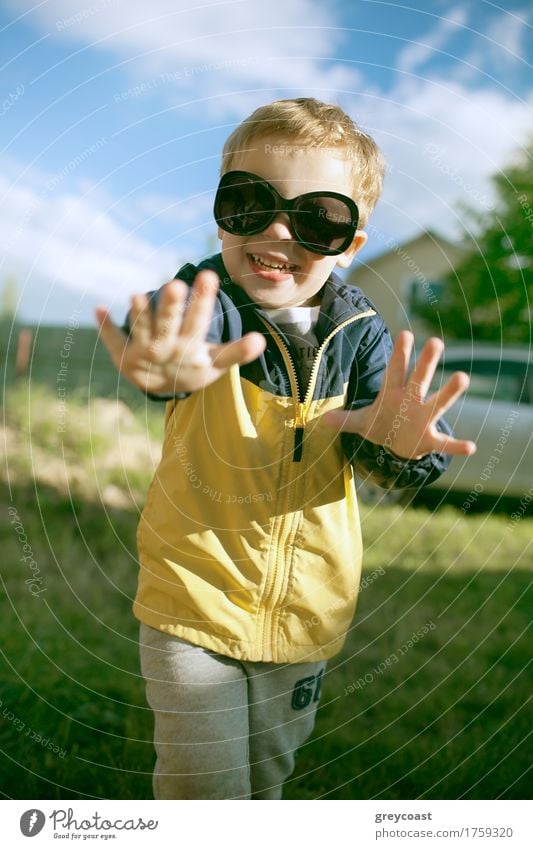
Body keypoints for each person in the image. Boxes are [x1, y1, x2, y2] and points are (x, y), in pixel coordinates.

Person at [96, 97, 476, 800]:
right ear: (220, 213)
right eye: (249, 203)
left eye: (316, 218)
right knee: (205, 793)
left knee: (264, 786)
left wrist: (396, 445)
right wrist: (165, 355)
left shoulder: (360, 336)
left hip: (306, 619)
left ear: (351, 242)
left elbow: (392, 459)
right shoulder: (207, 301)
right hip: (194, 606)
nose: (276, 230)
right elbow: (182, 320)